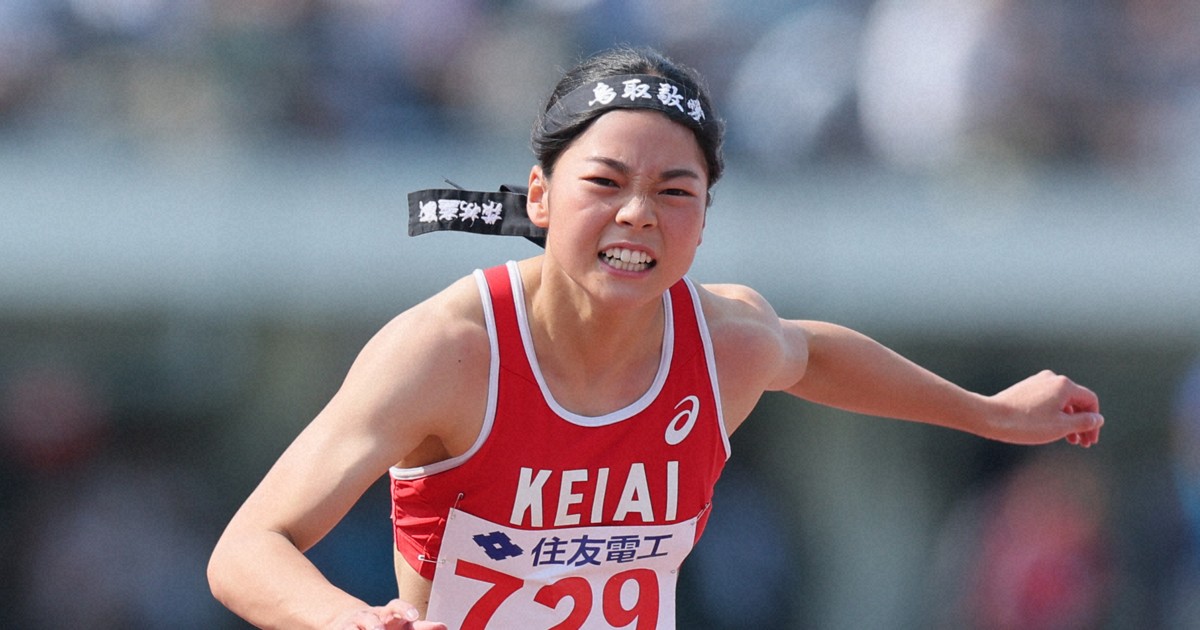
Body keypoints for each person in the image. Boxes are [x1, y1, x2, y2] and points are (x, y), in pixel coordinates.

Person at [207, 46, 1103, 630]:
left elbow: (814, 352)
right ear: (542, 195)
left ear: (704, 222)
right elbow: (248, 549)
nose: (638, 214)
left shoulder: (722, 342)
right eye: (606, 181)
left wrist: (986, 412)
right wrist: (349, 622)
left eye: (676, 192)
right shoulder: (450, 349)